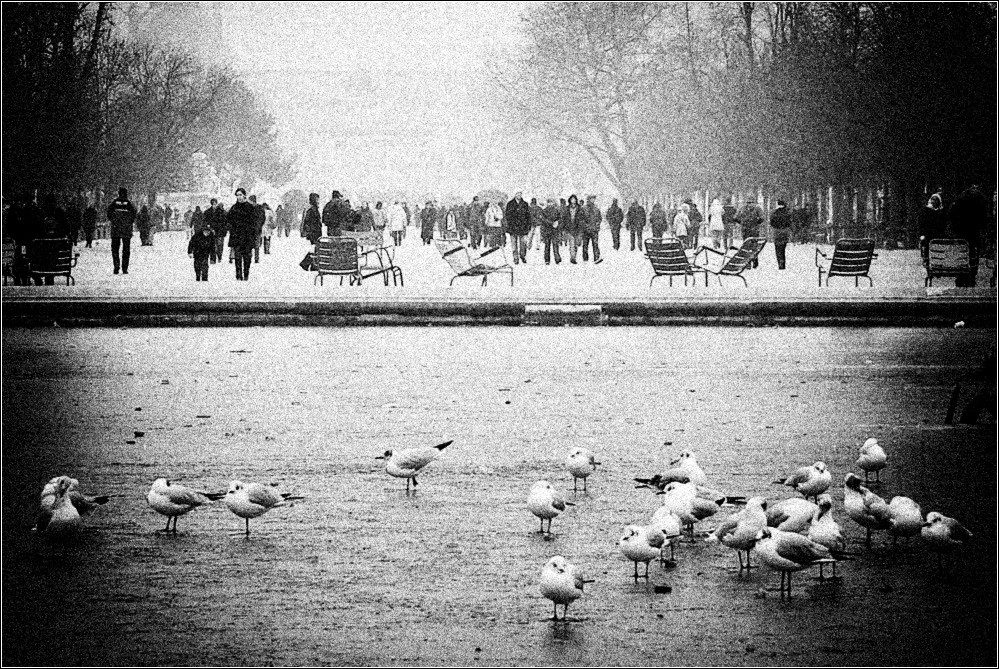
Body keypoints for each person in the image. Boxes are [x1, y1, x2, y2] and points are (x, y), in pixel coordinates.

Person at [948, 185, 988, 287]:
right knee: (973, 253)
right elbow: (984, 219)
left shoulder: (960, 201)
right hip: (974, 232)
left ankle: (961, 275)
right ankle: (971, 275)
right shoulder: (980, 200)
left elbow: (952, 216)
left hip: (961, 232)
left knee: (962, 253)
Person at [227, 188, 257, 280]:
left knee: (247, 257)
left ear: (244, 195)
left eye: (240, 195)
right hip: (236, 236)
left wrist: (251, 232)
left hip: (247, 236)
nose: (239, 197)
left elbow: (254, 222)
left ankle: (246, 274)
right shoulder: (234, 208)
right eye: (237, 195)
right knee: (238, 257)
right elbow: (228, 220)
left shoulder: (250, 208)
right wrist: (231, 228)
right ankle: (238, 274)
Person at [106, 187, 137, 275]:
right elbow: (134, 214)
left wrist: (114, 221)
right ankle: (124, 268)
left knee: (115, 249)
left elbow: (108, 213)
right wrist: (128, 223)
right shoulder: (129, 203)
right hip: (126, 230)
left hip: (116, 229)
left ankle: (116, 266)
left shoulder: (114, 203)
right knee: (126, 250)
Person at [918, 193, 947, 265]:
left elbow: (944, 223)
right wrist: (922, 234)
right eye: (933, 199)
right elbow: (922, 223)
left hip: (939, 233)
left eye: (936, 200)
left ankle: (939, 262)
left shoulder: (942, 211)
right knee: (927, 245)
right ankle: (927, 262)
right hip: (928, 233)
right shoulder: (926, 210)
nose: (934, 201)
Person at [736, 198, 765, 268]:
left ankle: (747, 263)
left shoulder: (742, 208)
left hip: (745, 229)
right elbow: (762, 218)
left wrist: (742, 223)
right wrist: (757, 223)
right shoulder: (758, 208)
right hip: (754, 230)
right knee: (754, 245)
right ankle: (755, 260)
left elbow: (735, 217)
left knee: (746, 246)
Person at [505, 191, 531, 264]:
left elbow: (528, 216)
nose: (519, 195)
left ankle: (522, 255)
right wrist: (510, 224)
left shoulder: (525, 204)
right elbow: (507, 216)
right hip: (513, 228)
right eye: (517, 193)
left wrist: (528, 226)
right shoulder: (510, 204)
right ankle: (515, 258)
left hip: (523, 227)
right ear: (515, 194)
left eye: (520, 193)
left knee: (523, 244)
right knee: (514, 245)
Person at [561, 194, 586, 264]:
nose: (573, 200)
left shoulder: (580, 208)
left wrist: (582, 226)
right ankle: (573, 258)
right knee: (572, 244)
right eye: (572, 199)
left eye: (574, 199)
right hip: (569, 228)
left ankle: (574, 255)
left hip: (578, 228)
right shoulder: (566, 208)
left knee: (576, 244)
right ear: (570, 200)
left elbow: (583, 218)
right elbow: (563, 218)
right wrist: (563, 228)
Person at [770, 199, 792, 270]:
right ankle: (782, 261)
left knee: (777, 248)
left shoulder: (774, 213)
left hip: (776, 232)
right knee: (783, 247)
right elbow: (789, 222)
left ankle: (780, 261)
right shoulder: (787, 212)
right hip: (785, 231)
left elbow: (771, 222)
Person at [205, 198, 227, 263]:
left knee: (220, 245)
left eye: (215, 204)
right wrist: (208, 227)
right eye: (213, 204)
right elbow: (205, 221)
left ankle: (219, 256)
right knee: (212, 245)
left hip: (220, 231)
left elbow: (225, 221)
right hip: (211, 231)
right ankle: (212, 259)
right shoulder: (207, 212)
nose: (214, 205)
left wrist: (224, 229)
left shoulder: (221, 211)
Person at [581, 195, 603, 263]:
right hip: (586, 230)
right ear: (588, 199)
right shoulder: (583, 208)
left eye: (594, 199)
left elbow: (599, 218)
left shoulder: (596, 208)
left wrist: (597, 225)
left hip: (594, 230)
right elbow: (581, 220)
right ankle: (585, 259)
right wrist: (586, 227)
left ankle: (596, 258)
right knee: (585, 245)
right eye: (592, 199)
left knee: (595, 244)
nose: (593, 200)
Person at [541, 197, 562, 264]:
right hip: (547, 230)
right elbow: (543, 220)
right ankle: (547, 259)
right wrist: (552, 223)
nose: (550, 204)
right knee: (547, 246)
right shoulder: (544, 211)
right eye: (549, 202)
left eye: (551, 202)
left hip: (555, 231)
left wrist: (558, 222)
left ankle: (557, 258)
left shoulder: (557, 210)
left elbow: (560, 219)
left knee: (555, 245)